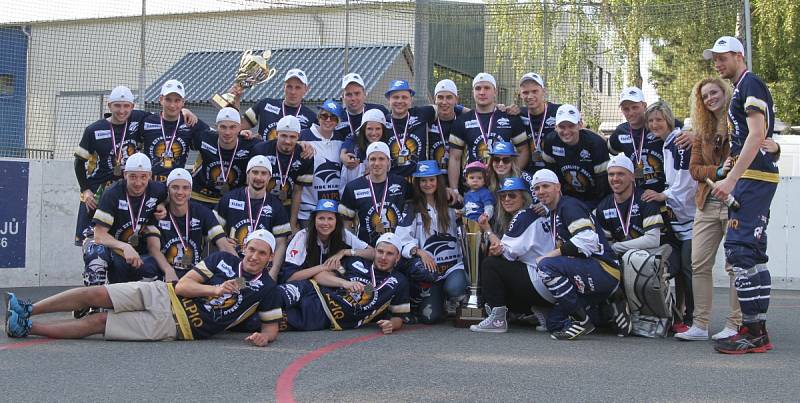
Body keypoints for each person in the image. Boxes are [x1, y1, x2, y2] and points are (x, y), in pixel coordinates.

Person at [5, 230, 283, 346]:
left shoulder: (268, 289)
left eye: (262, 253)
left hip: (177, 325)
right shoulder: (222, 259)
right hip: (165, 293)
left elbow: (271, 327)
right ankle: (30, 308)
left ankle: (26, 328)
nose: (254, 256)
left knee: (100, 322)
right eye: (252, 250)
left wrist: (264, 338)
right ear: (244, 248)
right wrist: (214, 290)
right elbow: (185, 286)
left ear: (270, 257)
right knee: (98, 294)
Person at [704, 36, 778, 353]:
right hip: (754, 176)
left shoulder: (751, 84)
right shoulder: (744, 88)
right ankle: (755, 327)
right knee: (752, 253)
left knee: (740, 250)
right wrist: (726, 169)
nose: (718, 64)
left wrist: (731, 179)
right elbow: (756, 140)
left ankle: (753, 331)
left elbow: (759, 134)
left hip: (753, 179)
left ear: (738, 56)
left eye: (723, 58)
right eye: (715, 60)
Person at [531, 169, 630, 340]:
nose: (541, 192)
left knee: (546, 267)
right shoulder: (553, 212)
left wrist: (549, 256)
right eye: (537, 188)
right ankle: (610, 306)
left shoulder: (569, 206)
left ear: (557, 187)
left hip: (603, 268)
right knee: (553, 324)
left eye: (545, 186)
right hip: (585, 272)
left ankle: (582, 321)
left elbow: (587, 240)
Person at [677, 77, 741, 341]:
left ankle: (736, 323)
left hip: (734, 202)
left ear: (725, 92)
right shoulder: (699, 130)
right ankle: (700, 325)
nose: (710, 98)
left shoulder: (739, 123)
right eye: (705, 96)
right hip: (706, 203)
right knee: (698, 263)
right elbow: (694, 170)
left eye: (714, 92)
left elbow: (756, 150)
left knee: (735, 265)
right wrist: (717, 170)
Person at [76, 153, 167, 318]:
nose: (138, 182)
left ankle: (126, 303)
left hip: (131, 248)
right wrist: (125, 246)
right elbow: (99, 235)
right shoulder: (113, 193)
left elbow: (172, 197)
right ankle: (90, 303)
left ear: (150, 176)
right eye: (133, 176)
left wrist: (162, 205)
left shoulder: (159, 189)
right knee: (96, 256)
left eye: (143, 177)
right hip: (103, 240)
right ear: (125, 175)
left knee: (152, 268)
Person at [276, 233, 410, 334]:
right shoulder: (355, 262)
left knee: (263, 321)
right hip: (311, 289)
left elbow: (398, 317)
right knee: (274, 297)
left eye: (389, 254)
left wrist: (391, 325)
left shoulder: (399, 282)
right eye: (380, 252)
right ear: (374, 252)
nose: (383, 257)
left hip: (324, 315)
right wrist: (345, 283)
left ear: (397, 257)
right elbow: (320, 276)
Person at [470, 176, 555, 333]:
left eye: (512, 195)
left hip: (543, 282)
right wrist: (488, 229)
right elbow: (506, 248)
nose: (507, 199)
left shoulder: (523, 216)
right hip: (551, 283)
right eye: (503, 196)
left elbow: (503, 252)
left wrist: (488, 233)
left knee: (491, 265)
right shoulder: (533, 214)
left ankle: (497, 320)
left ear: (524, 198)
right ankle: (543, 311)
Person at [640, 101, 697, 334]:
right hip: (679, 217)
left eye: (659, 120)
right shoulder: (667, 143)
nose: (655, 124)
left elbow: (686, 182)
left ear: (669, 120)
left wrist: (663, 195)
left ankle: (694, 318)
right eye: (651, 121)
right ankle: (684, 315)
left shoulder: (678, 142)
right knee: (683, 269)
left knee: (688, 268)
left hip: (693, 217)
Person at [395, 161, 467, 323]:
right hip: (431, 270)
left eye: (431, 180)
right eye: (423, 180)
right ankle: (438, 297)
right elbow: (402, 237)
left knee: (454, 288)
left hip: (453, 266)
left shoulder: (451, 203)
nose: (428, 184)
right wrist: (419, 252)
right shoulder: (412, 207)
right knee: (429, 318)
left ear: (438, 181)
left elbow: (468, 216)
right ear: (417, 183)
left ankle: (455, 296)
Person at [73, 86, 144, 246]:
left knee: (120, 240)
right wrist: (85, 191)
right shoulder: (94, 130)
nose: (121, 110)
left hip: (126, 192)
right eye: (117, 105)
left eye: (126, 106)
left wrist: (185, 112)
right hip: (97, 193)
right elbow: (79, 163)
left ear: (132, 107)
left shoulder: (138, 122)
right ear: (109, 105)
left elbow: (166, 116)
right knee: (92, 245)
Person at [448, 72, 529, 202]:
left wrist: (510, 176)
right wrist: (454, 189)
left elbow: (523, 151)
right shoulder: (462, 121)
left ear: (495, 91)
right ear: (473, 92)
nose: (482, 92)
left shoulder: (510, 117)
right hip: (474, 186)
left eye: (487, 88)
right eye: (478, 88)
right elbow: (454, 158)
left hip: (503, 186)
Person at [142, 168, 234, 282]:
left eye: (185, 188)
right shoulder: (158, 213)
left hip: (194, 273)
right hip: (165, 271)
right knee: (147, 265)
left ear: (191, 191)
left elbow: (223, 244)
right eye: (175, 187)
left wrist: (242, 273)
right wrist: (168, 270)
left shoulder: (202, 212)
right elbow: (153, 248)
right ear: (168, 190)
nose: (180, 192)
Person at [214, 156, 290, 281]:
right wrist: (223, 240)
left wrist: (273, 272)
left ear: (269, 177)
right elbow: (212, 231)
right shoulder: (229, 199)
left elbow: (281, 244)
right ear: (247, 174)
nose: (259, 178)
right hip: (231, 263)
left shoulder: (276, 206)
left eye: (264, 173)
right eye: (255, 172)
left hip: (260, 266)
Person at [280, 199, 374, 283]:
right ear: (314, 220)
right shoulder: (303, 237)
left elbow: (373, 253)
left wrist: (346, 252)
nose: (325, 223)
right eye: (321, 218)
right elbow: (289, 277)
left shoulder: (343, 234)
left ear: (336, 221)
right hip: (305, 286)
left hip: (332, 281)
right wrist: (324, 267)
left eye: (330, 218)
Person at [136, 79, 211, 183]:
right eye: (168, 99)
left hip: (176, 185)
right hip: (150, 184)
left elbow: (218, 134)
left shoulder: (190, 122)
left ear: (183, 102)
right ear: (161, 99)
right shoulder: (147, 121)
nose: (172, 105)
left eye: (177, 100)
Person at [339, 142, 411, 245]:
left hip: (396, 248)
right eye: (372, 159)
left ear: (388, 162)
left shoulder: (401, 183)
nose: (377, 163)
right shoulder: (353, 187)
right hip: (365, 248)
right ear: (367, 162)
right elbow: (345, 223)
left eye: (381, 159)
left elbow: (413, 210)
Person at [190, 107, 262, 209]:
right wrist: (185, 111)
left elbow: (274, 147)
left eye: (232, 127)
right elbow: (182, 122)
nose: (227, 132)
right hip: (200, 196)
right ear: (216, 127)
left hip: (233, 201)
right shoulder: (205, 137)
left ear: (240, 127)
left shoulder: (251, 145)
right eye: (223, 127)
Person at [541, 104, 610, 210]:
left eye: (571, 126)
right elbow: (551, 175)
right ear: (555, 127)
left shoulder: (596, 144)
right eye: (562, 127)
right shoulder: (550, 141)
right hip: (567, 197)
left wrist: (597, 208)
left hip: (595, 198)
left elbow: (603, 184)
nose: (566, 131)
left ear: (580, 124)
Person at [253, 115, 313, 234]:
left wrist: (292, 223)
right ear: (276, 133)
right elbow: (249, 184)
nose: (287, 141)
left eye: (292, 137)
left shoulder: (305, 155)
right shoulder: (260, 150)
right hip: (260, 203)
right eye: (284, 136)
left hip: (286, 205)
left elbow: (298, 191)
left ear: (298, 136)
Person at [595, 155, 664, 255]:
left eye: (620, 174)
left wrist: (617, 247)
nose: (615, 178)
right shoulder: (603, 207)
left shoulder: (646, 198)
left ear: (632, 176)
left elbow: (653, 240)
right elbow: (607, 244)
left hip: (652, 253)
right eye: (611, 174)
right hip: (623, 256)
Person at [298, 100, 347, 228]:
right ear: (318, 117)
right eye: (324, 116)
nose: (328, 120)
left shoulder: (341, 139)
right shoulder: (303, 135)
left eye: (333, 118)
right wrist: (297, 144)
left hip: (333, 211)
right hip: (308, 210)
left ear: (338, 121)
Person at [607, 87, 666, 192]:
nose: (631, 112)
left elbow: (682, 131)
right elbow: (608, 148)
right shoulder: (620, 131)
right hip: (638, 193)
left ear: (644, 106)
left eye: (635, 107)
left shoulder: (658, 123)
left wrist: (690, 135)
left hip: (665, 191)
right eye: (626, 109)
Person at [236, 68, 318, 141]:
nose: (293, 92)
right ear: (284, 87)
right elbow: (239, 126)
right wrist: (235, 99)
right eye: (289, 86)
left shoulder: (311, 117)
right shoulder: (265, 104)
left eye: (298, 87)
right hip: (265, 156)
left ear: (306, 89)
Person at [384, 80, 430, 180]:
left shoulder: (420, 113)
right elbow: (361, 133)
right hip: (393, 181)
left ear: (410, 100)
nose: (400, 101)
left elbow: (445, 107)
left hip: (419, 180)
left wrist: (469, 112)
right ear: (388, 99)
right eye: (395, 97)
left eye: (404, 97)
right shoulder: (382, 121)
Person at [517, 72, 560, 174]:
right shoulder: (517, 114)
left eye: (535, 91)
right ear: (520, 95)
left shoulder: (559, 112)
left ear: (543, 91)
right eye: (525, 92)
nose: (530, 96)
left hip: (555, 174)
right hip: (528, 173)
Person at [339, 108, 389, 186]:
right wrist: (342, 154)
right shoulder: (353, 150)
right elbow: (345, 184)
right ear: (363, 129)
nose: (374, 133)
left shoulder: (388, 145)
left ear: (383, 130)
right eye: (369, 129)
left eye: (378, 129)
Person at [335, 73, 390, 140]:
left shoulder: (379, 111)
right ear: (343, 97)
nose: (353, 98)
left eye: (357, 93)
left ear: (364, 94)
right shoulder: (337, 117)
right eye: (349, 94)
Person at [427, 79, 464, 170]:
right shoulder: (427, 120)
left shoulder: (464, 121)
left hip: (459, 178)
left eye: (449, 97)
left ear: (456, 100)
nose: (444, 102)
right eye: (440, 97)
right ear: (434, 99)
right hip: (433, 180)